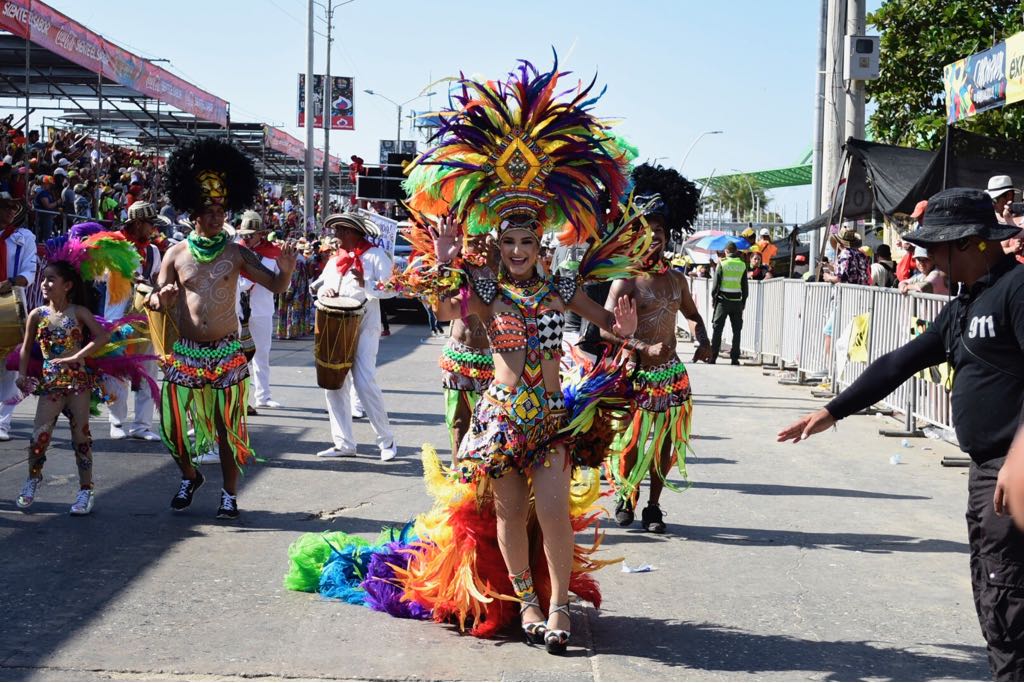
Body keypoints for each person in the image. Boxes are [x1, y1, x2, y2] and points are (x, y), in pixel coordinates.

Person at [778, 188, 1024, 680]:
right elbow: (900, 362)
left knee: (1010, 600)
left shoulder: (1018, 290)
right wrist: (833, 409)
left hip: (1013, 468)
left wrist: (1020, 454)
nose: (928, 255)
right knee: (995, 595)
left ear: (974, 242)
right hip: (987, 472)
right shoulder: (964, 306)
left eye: (938, 245)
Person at [150, 139, 296, 520]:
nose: (216, 217)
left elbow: (277, 286)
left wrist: (288, 267)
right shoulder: (175, 253)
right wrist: (160, 297)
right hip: (185, 352)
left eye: (221, 210)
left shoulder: (236, 253)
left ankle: (229, 493)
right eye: (208, 211)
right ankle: (190, 475)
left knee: (227, 429)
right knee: (171, 427)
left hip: (226, 353)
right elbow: (154, 296)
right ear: (193, 214)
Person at [599, 177, 713, 534]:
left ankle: (653, 507)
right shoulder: (626, 281)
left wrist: (703, 338)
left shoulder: (677, 280)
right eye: (646, 230)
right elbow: (604, 330)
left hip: (670, 376)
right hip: (634, 374)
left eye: (660, 229)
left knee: (663, 444)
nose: (654, 236)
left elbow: (693, 316)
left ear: (667, 235)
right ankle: (626, 498)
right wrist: (642, 348)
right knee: (632, 443)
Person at [14, 260, 110, 514]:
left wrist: (77, 356)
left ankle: (85, 490)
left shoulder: (79, 312)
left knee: (81, 439)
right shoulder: (37, 314)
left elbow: (102, 336)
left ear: (67, 285)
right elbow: (25, 348)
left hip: (78, 385)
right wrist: (22, 375)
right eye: (44, 279)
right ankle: (32, 479)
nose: (45, 284)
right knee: (38, 438)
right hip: (50, 386)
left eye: (51, 279)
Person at [311, 213, 398, 461]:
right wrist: (323, 288)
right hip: (335, 324)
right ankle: (343, 443)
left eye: (339, 231)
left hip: (365, 324)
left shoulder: (376, 256)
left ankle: (387, 440)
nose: (335, 236)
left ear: (351, 232)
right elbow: (321, 283)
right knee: (333, 381)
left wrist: (366, 282)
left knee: (364, 381)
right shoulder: (336, 258)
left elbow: (392, 289)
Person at [106, 202, 162, 441]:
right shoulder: (111, 245)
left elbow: (157, 279)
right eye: (150, 225)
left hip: (145, 318)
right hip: (116, 318)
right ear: (138, 223)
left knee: (148, 372)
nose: (153, 230)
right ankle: (116, 422)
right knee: (115, 374)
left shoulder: (153, 251)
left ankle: (142, 426)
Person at [0, 192, 37, 441]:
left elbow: (29, 270)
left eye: (14, 206)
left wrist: (11, 282)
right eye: (6, 207)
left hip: (10, 302)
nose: (12, 210)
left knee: (10, 366)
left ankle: (3, 422)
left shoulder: (24, 238)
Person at [237, 211, 283, 409]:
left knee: (262, 354)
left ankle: (263, 396)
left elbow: (283, 282)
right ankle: (240, 398)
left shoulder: (273, 254)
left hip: (262, 309)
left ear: (260, 234)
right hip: (237, 309)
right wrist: (246, 283)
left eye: (250, 234)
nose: (246, 238)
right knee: (238, 355)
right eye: (244, 234)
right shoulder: (235, 251)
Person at [709, 241, 748, 365]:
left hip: (722, 301)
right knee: (737, 330)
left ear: (726, 251)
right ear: (736, 251)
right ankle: (735, 358)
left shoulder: (722, 264)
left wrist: (713, 298)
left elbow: (715, 286)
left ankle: (713, 357)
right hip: (737, 301)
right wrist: (743, 301)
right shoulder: (742, 265)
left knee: (717, 329)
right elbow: (745, 286)